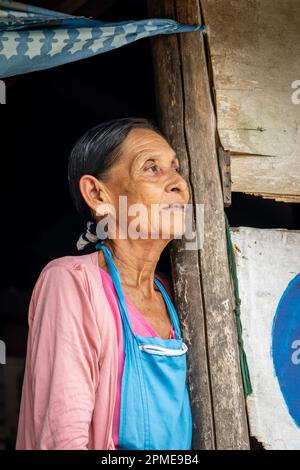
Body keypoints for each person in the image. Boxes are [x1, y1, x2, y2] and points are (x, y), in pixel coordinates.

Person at [16, 117, 193, 450]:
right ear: (97, 194)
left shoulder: (175, 293)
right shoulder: (70, 283)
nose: (180, 185)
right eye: (151, 168)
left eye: (176, 168)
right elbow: (61, 442)